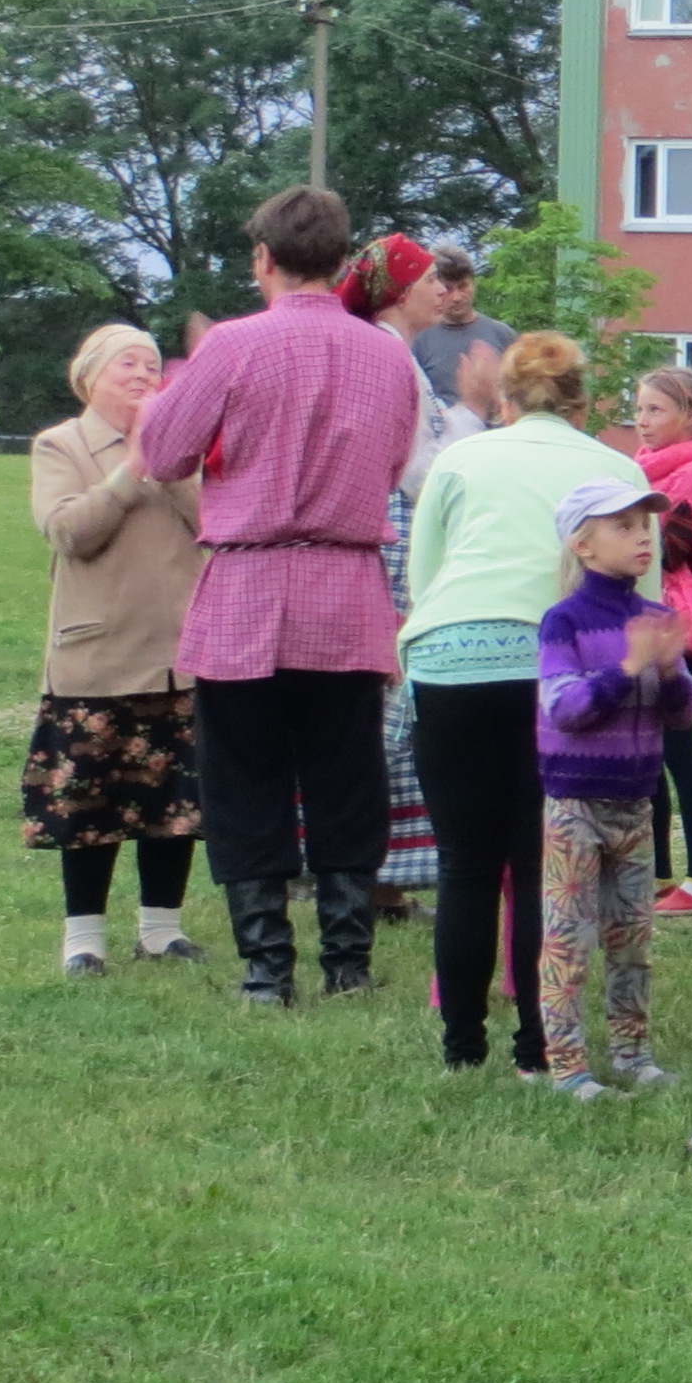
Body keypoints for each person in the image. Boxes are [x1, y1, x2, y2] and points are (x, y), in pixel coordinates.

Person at [129, 185, 424, 1006]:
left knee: (244, 774)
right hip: (346, 585)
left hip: (248, 584)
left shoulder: (232, 345)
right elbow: (393, 463)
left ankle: (266, 968)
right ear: (342, 260)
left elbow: (163, 453)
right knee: (348, 775)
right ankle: (347, 962)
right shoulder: (386, 356)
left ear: (263, 258)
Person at [407, 332, 642, 1075]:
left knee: (465, 864)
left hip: (452, 658)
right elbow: (642, 595)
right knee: (542, 866)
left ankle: (461, 1046)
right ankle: (538, 1047)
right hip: (558, 668)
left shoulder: (461, 459)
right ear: (583, 402)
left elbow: (424, 574)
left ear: (505, 399)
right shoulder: (617, 470)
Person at [24, 323, 205, 976]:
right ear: (90, 376)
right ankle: (84, 940)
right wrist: (133, 468)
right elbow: (71, 532)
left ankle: (161, 930)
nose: (143, 375)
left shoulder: (185, 452)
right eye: (127, 363)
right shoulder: (61, 445)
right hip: (95, 661)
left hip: (176, 658)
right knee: (89, 807)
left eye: (152, 365)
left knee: (174, 805)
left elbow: (215, 523)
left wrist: (168, 458)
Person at [531, 481, 692, 1102]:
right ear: (583, 544)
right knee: (568, 939)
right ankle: (568, 1068)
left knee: (633, 941)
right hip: (575, 807)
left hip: (635, 806)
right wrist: (627, 668)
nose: (642, 537)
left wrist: (669, 672)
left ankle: (633, 1055)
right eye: (623, 526)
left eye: (643, 526)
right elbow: (564, 706)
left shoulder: (653, 619)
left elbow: (686, 712)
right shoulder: (564, 621)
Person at [344, 237, 471, 920]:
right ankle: (371, 873)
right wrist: (474, 421)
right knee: (390, 697)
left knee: (386, 701)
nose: (443, 292)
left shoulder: (395, 352)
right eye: (428, 281)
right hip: (393, 532)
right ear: (397, 291)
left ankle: (371, 870)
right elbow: (420, 465)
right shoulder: (389, 354)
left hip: (395, 527)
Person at [625, 364, 692, 916]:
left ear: (690, 415)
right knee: (649, 746)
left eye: (655, 409)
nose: (642, 420)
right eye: (639, 408)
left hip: (677, 627)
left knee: (678, 747)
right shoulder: (644, 471)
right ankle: (660, 870)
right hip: (648, 617)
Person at [407, 244, 513, 409]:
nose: (457, 297)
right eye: (448, 289)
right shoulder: (419, 339)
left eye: (463, 286)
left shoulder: (503, 334)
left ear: (473, 284)